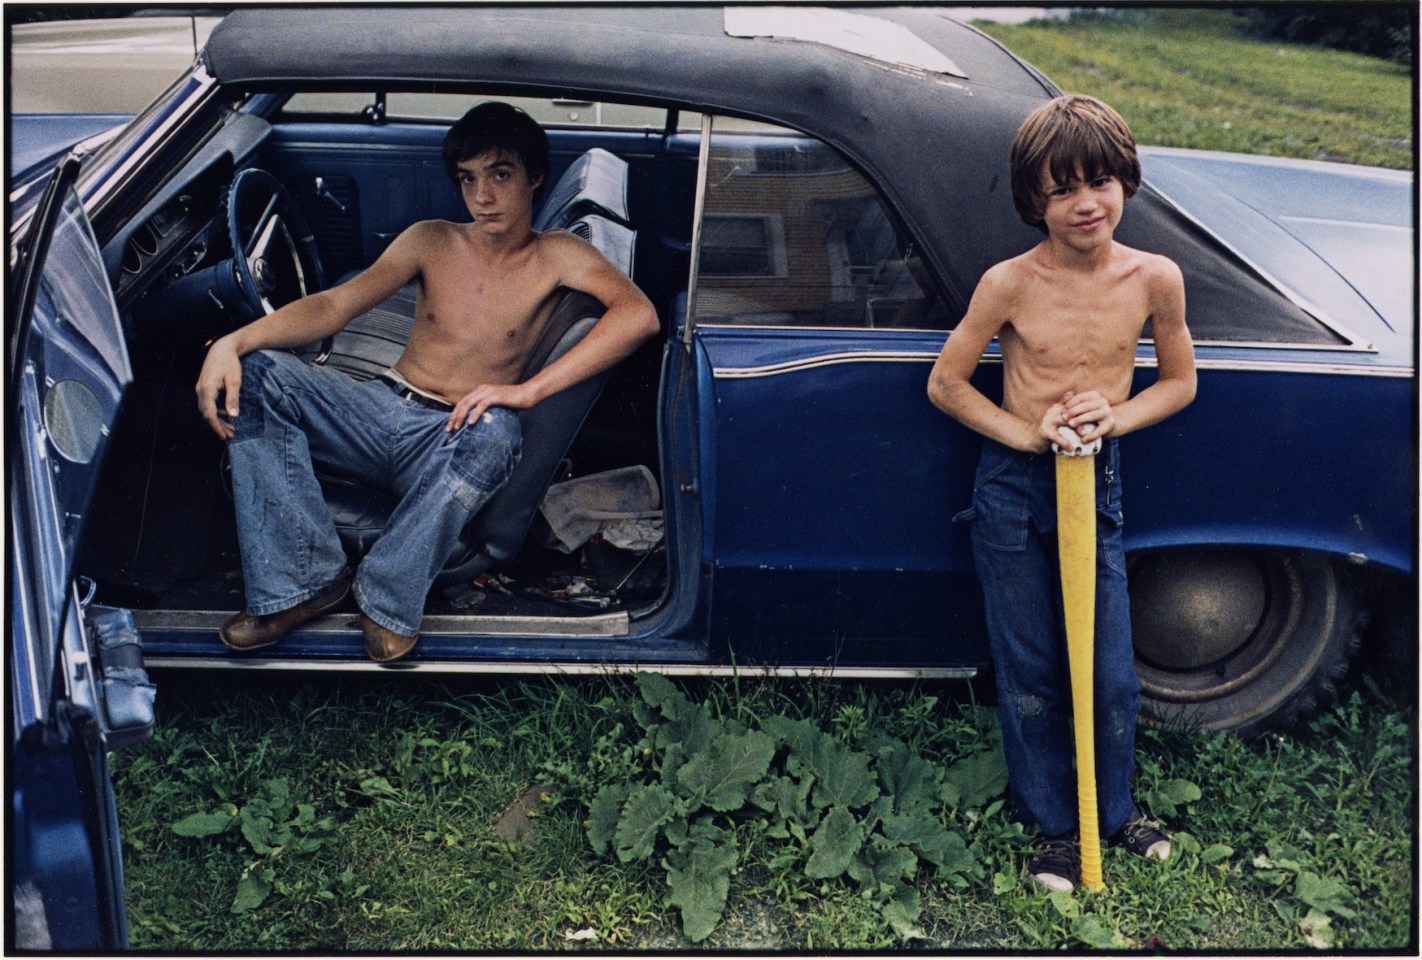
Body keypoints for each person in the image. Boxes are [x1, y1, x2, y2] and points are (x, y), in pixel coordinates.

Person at [195, 102, 659, 663]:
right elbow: (336, 304)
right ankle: (304, 582)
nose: (482, 196)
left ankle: (387, 597)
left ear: (534, 177)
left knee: (499, 430)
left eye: (500, 175)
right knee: (260, 372)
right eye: (468, 179)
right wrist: (233, 342)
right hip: (374, 409)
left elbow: (639, 316)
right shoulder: (431, 239)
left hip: (452, 436)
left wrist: (527, 391)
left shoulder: (558, 256)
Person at [927, 94, 1197, 892]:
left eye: (1102, 181)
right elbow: (947, 385)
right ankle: (1053, 825)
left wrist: (1111, 417)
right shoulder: (1008, 283)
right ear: (1032, 200)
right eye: (1062, 189)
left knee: (1109, 668)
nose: (1086, 204)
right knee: (1032, 666)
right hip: (1013, 488)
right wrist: (1029, 434)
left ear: (1127, 181)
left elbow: (1179, 384)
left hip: (1096, 483)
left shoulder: (1155, 277)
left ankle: (1114, 811)